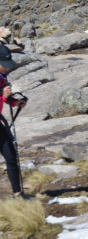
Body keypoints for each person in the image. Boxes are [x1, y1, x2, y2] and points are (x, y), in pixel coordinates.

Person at [0, 44, 27, 198]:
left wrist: (15, 103)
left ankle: (18, 194)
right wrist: (4, 96)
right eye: (4, 64)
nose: (7, 68)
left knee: (10, 156)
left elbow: (4, 98)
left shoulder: (3, 77)